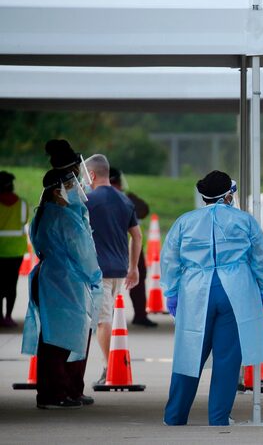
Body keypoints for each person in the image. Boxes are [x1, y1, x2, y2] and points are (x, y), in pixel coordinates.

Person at [160, 171, 263, 426]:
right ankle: (219, 418)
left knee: (189, 354)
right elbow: (260, 258)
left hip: (195, 291)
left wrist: (171, 292)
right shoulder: (244, 220)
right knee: (227, 358)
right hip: (236, 291)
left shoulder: (185, 222)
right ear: (228, 195)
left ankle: (175, 416)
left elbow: (170, 260)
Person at [21, 169, 102, 409]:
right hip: (66, 281)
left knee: (56, 338)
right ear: (58, 191)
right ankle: (57, 392)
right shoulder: (65, 217)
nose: (78, 188)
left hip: (52, 278)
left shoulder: (44, 213)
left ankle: (64, 390)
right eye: (72, 184)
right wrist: (94, 275)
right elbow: (83, 252)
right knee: (63, 341)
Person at [83, 154, 142, 384]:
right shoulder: (125, 201)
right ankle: (114, 364)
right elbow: (137, 236)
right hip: (120, 270)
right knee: (111, 318)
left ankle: (111, 368)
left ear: (93, 175)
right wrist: (134, 267)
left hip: (99, 271)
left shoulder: (88, 201)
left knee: (102, 321)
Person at [110, 167, 157, 328]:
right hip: (119, 245)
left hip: (125, 244)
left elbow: (143, 210)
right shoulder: (121, 199)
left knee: (137, 278)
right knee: (110, 283)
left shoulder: (125, 199)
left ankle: (139, 314)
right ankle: (110, 318)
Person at [0, 171, 28, 327]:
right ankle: (8, 317)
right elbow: (24, 221)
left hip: (0, 252)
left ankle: (0, 316)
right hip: (16, 251)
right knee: (12, 284)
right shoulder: (22, 204)